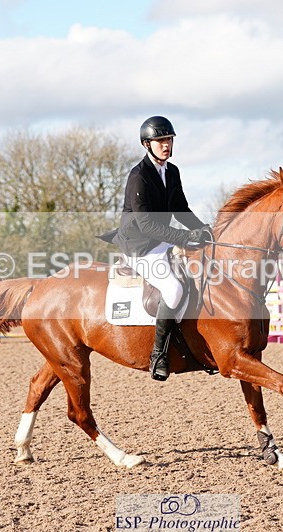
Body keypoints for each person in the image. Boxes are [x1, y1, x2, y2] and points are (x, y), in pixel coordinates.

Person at [100, 116, 211, 381]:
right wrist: (184, 238)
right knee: (173, 287)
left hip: (161, 240)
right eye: (160, 141)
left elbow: (180, 209)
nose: (166, 145)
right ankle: (158, 355)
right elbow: (146, 223)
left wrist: (204, 229)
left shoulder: (171, 171)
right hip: (139, 245)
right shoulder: (139, 176)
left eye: (169, 140)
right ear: (147, 144)